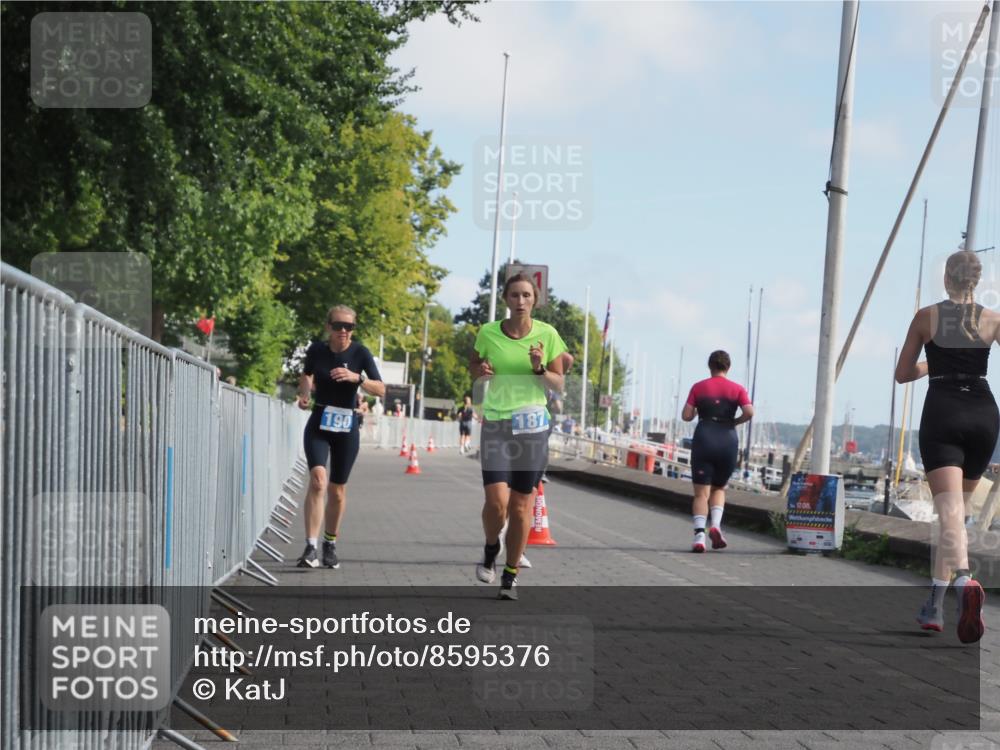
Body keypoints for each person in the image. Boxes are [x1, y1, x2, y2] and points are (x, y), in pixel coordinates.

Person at [896, 249, 994, 643]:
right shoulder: (993, 319)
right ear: (976, 281)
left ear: (946, 279)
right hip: (984, 414)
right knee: (954, 514)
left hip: (944, 411)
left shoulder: (926, 317)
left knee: (949, 512)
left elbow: (903, 373)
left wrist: (931, 366)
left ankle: (965, 581)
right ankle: (934, 607)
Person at [470, 273, 568, 599]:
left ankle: (510, 575)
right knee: (497, 503)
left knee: (521, 506)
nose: (521, 301)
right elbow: (474, 367)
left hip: (532, 427)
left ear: (535, 299)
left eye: (527, 295)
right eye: (515, 295)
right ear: (506, 299)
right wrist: (481, 372)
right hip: (497, 424)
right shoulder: (488, 333)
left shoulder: (547, 334)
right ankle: (490, 547)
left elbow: (558, 383)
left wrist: (539, 368)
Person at [296, 305, 385, 569]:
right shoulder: (316, 350)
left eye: (349, 326)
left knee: (336, 491)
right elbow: (307, 374)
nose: (343, 331)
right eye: (338, 326)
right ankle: (310, 547)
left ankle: (330, 543)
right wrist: (305, 394)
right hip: (319, 424)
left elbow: (381, 389)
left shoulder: (360, 353)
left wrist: (357, 378)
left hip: (346, 428)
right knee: (318, 482)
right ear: (328, 327)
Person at [681, 350, 754, 553]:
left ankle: (699, 536)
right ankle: (715, 525)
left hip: (704, 437)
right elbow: (749, 411)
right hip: (727, 439)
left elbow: (686, 415)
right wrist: (735, 421)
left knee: (700, 494)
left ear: (710, 366)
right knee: (719, 488)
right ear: (728, 367)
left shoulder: (698, 387)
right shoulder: (737, 389)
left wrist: (699, 408)